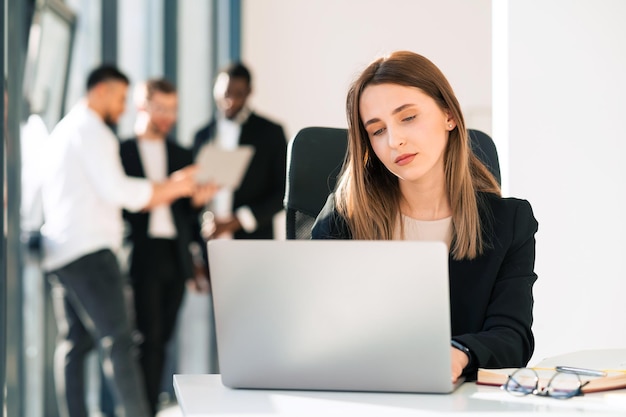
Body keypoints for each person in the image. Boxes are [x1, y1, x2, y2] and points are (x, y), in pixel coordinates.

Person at [311, 51, 538, 383]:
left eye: (408, 117)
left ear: (448, 115)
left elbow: (512, 337)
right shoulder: (344, 219)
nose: (394, 140)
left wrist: (459, 354)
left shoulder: (510, 221)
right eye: (376, 131)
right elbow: (313, 328)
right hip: (364, 395)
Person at [40, 65, 199, 417]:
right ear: (99, 91)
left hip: (62, 251)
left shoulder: (65, 130)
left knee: (76, 344)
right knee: (120, 342)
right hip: (90, 251)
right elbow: (120, 191)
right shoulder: (94, 131)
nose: (124, 107)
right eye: (121, 98)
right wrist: (176, 186)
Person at [119, 78, 217, 415]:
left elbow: (187, 217)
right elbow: (125, 202)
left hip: (173, 257)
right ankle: (141, 408)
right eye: (161, 109)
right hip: (139, 255)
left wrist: (198, 202)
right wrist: (173, 187)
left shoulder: (180, 153)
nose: (168, 117)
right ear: (141, 105)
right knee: (144, 338)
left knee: (163, 341)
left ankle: (150, 406)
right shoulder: (122, 151)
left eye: (173, 110)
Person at [193, 62, 287, 240]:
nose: (230, 100)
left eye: (239, 94)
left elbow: (283, 190)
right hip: (208, 240)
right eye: (225, 93)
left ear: (250, 91)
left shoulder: (270, 132)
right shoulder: (201, 136)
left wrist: (238, 220)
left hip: (253, 240)